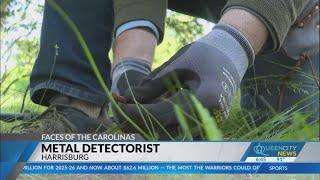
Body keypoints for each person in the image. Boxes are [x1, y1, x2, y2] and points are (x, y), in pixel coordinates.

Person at [16, 0, 319, 136]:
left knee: (284, 128)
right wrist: (130, 68)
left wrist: (229, 50)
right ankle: (76, 109)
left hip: (298, 16)